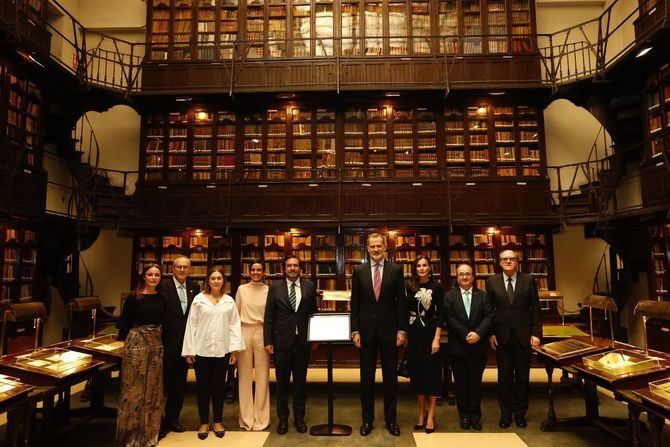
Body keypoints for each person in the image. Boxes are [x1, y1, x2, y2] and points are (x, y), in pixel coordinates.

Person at [350, 233, 407, 437]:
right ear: (367, 248)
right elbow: (354, 303)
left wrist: (402, 329)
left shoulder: (396, 270)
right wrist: (354, 330)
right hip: (365, 333)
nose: (375, 250)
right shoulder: (359, 271)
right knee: (366, 378)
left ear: (385, 248)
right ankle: (367, 421)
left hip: (390, 332)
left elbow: (401, 302)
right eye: (372, 246)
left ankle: (391, 421)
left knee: (390, 378)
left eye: (378, 246)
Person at [182, 266, 245, 440]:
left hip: (222, 351)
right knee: (203, 388)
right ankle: (203, 422)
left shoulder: (229, 301)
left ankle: (217, 421)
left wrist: (235, 351)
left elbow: (234, 326)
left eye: (219, 278)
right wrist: (189, 350)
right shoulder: (198, 299)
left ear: (223, 281)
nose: (216, 281)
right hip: (201, 351)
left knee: (219, 387)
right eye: (213, 278)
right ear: (207, 281)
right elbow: (191, 325)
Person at [487, 249, 542, 429]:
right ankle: (506, 414)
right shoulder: (492, 281)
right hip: (502, 337)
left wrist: (536, 333)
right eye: (505, 259)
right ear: (500, 262)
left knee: (522, 378)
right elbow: (489, 311)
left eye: (512, 259)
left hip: (523, 336)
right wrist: (491, 333)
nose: (508, 261)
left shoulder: (528, 280)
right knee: (504, 378)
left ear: (517, 262)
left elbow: (536, 308)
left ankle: (520, 414)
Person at [263, 256, 318, 435]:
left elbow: (313, 313)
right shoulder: (274, 287)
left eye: (295, 265)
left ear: (300, 268)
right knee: (282, 384)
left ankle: (300, 419)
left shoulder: (309, 286)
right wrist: (268, 341)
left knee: (301, 383)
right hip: (281, 343)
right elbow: (269, 316)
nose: (292, 268)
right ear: (284, 268)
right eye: (289, 265)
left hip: (302, 342)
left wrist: (315, 337)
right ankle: (283, 420)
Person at [116, 263, 166, 447]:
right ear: (144, 276)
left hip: (156, 345)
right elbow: (124, 324)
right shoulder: (133, 298)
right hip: (136, 345)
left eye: (157, 275)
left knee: (153, 388)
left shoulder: (162, 298)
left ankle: (150, 433)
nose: (153, 278)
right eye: (150, 274)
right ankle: (130, 435)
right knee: (134, 388)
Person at [444, 263, 493, 431]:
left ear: (473, 276)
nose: (465, 277)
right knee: (460, 385)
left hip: (478, 347)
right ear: (456, 277)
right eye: (461, 274)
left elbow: (489, 317)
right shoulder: (449, 296)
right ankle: (463, 416)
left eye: (468, 274)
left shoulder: (484, 296)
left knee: (475, 384)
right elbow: (449, 319)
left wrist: (478, 334)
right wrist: (466, 334)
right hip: (458, 347)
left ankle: (475, 416)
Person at [159, 255, 201, 437]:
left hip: (186, 343)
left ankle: (172, 419)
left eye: (186, 267)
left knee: (178, 384)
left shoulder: (194, 287)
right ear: (173, 269)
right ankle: (157, 422)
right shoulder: (163, 286)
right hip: (166, 342)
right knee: (162, 385)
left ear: (190, 269)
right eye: (179, 267)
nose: (183, 270)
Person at [406, 256, 444, 434]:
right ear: (415, 268)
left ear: (430, 268)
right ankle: (421, 414)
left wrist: (436, 338)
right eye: (418, 266)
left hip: (430, 332)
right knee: (418, 375)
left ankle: (431, 416)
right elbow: (404, 311)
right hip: (413, 333)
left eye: (424, 265)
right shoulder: (409, 286)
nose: (421, 268)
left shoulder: (436, 286)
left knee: (432, 376)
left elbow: (441, 315)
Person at [236, 261, 271, 431]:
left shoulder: (268, 290)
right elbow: (235, 315)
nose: (256, 272)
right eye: (253, 270)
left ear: (264, 272)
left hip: (262, 332)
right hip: (244, 331)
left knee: (263, 375)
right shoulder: (242, 290)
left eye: (259, 269)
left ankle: (262, 418)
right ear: (248, 272)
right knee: (244, 376)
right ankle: (246, 418)